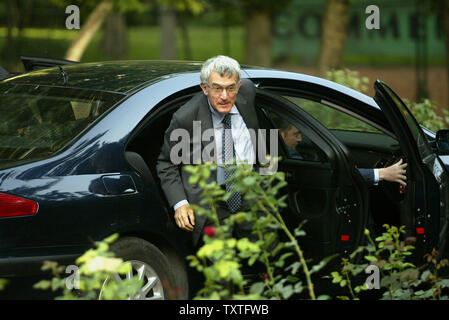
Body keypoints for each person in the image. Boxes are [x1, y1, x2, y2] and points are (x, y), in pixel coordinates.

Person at [156, 55, 260, 247]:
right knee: (222, 268)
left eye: (231, 88)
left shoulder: (247, 93)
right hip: (212, 200)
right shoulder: (186, 118)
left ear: (238, 86)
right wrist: (180, 204)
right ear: (205, 88)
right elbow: (166, 164)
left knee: (267, 255)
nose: (225, 96)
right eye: (217, 88)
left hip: (250, 194)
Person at [278, 121, 408, 186]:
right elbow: (326, 176)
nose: (300, 139)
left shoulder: (277, 155)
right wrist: (382, 173)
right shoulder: (288, 156)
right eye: (295, 134)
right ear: (280, 134)